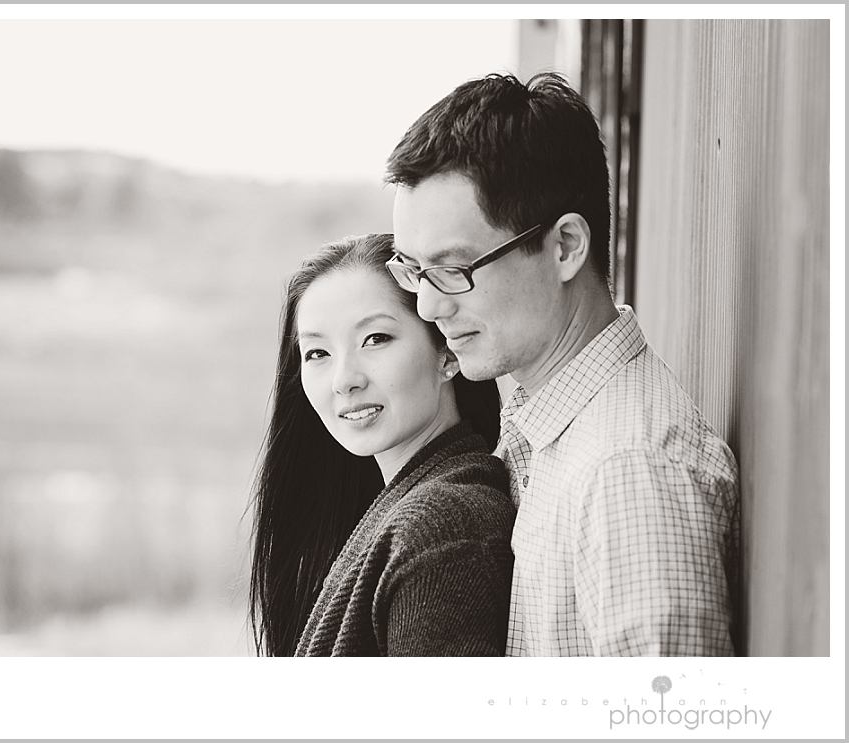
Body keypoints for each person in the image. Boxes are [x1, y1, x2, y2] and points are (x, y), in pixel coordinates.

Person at [384, 73, 741, 656]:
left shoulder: (626, 473)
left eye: (453, 270)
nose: (428, 305)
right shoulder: (545, 427)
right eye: (414, 271)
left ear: (566, 246)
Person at [249, 233, 515, 656]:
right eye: (317, 353)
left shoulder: (440, 531)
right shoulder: (406, 512)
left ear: (447, 352)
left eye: (375, 339)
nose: (344, 380)